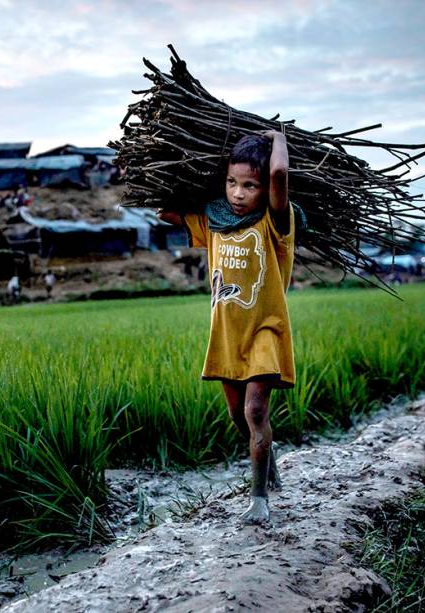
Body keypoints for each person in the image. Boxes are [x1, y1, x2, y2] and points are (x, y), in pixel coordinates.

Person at [159, 131, 293, 525]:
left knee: (254, 409)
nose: (238, 193)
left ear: (264, 187)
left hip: (264, 330)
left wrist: (278, 137)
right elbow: (165, 210)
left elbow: (281, 171)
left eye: (250, 185)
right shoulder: (213, 220)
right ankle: (269, 461)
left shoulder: (275, 220)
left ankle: (259, 499)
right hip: (226, 333)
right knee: (239, 415)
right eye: (232, 183)